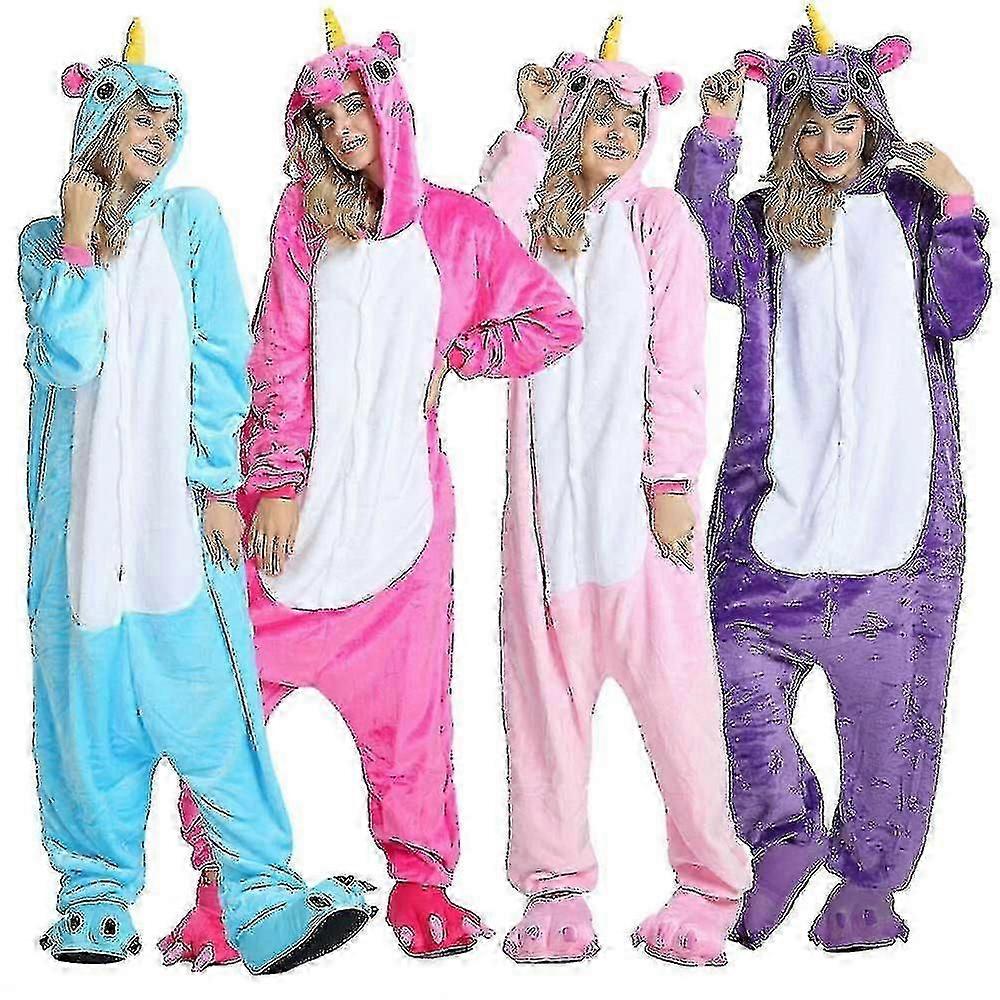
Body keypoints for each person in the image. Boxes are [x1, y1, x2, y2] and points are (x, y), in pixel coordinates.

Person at [158, 11, 583, 965]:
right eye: (325, 116)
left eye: (356, 106)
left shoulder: (458, 226)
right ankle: (230, 887)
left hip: (402, 528)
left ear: (390, 107)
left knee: (411, 714)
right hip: (290, 520)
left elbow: (553, 320)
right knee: (224, 703)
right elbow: (277, 352)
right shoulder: (303, 218)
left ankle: (421, 880)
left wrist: (461, 356)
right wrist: (274, 481)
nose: (344, 127)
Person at [19, 20, 375, 974]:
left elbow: (223, 355)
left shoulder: (191, 222)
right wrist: (80, 240)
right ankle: (93, 898)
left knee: (217, 710)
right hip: (80, 541)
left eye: (170, 122)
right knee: (83, 717)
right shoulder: (44, 245)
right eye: (142, 117)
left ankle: (262, 898)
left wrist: (219, 484)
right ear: (100, 121)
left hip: (175, 524)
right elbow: (70, 355)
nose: (159, 135)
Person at [676, 4, 990, 951]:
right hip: (776, 522)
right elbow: (703, 254)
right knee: (733, 676)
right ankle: (784, 834)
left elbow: (960, 313)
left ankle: (868, 883)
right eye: (807, 128)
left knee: (894, 721)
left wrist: (962, 206)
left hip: (898, 536)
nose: (825, 145)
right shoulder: (767, 222)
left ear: (871, 121)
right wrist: (715, 140)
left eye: (843, 123)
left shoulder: (911, 211)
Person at [474, 18, 751, 967]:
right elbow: (477, 252)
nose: (619, 136)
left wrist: (673, 478)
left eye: (634, 123)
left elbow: (680, 360)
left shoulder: (658, 220)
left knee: (679, 701)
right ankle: (554, 888)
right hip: (547, 528)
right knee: (541, 711)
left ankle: (711, 882)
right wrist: (527, 128)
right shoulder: (540, 228)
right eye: (599, 117)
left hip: (636, 516)